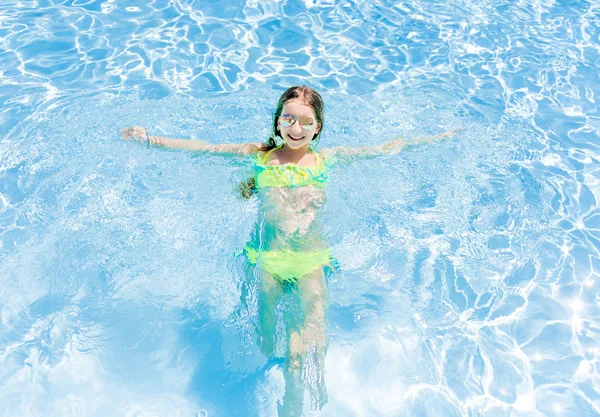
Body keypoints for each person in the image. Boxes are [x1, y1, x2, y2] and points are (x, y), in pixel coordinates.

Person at [121, 86, 456, 416]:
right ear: (278, 121)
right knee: (268, 344)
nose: (296, 129)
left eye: (306, 122)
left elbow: (384, 149)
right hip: (269, 259)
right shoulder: (260, 156)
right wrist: (150, 140)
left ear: (318, 127)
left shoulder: (327, 159)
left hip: (311, 261)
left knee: (307, 347)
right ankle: (280, 365)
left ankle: (294, 404)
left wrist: (436, 140)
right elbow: (203, 148)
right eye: (288, 119)